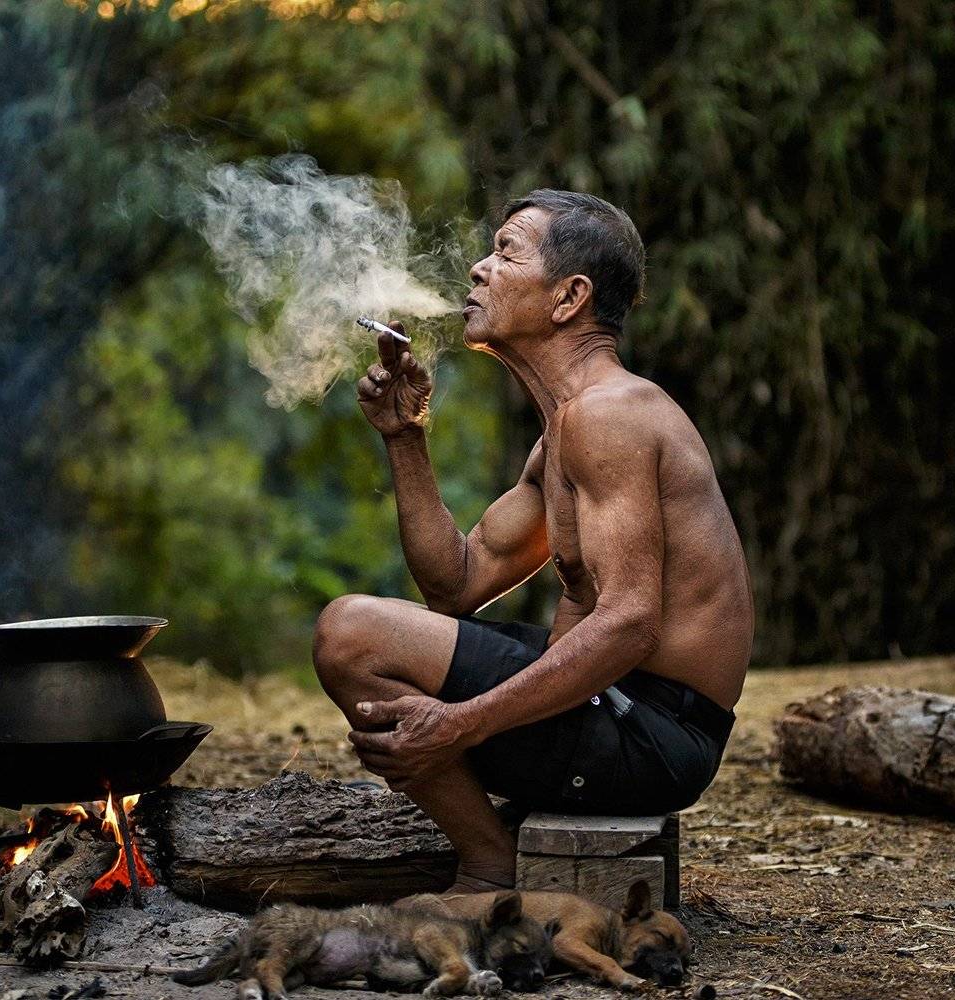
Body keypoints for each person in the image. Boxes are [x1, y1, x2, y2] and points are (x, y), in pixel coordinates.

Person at [314, 190, 755, 892]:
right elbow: (455, 583)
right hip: (613, 708)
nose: (478, 269)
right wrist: (405, 436)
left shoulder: (612, 416)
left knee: (350, 632)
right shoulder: (563, 434)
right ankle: (490, 859)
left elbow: (631, 623)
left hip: (654, 735)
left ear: (569, 297)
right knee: (359, 635)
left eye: (506, 251)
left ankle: (489, 872)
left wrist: (461, 724)